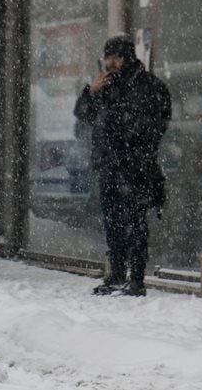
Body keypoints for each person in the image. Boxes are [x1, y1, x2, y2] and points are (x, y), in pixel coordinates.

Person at [74, 34, 171, 297]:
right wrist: (89, 92)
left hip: (134, 167)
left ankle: (136, 279)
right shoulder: (106, 85)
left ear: (126, 57)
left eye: (114, 58)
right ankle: (116, 274)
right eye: (107, 58)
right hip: (109, 166)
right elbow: (82, 115)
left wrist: (131, 146)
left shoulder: (147, 85)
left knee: (134, 222)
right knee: (113, 222)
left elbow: (153, 125)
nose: (109, 63)